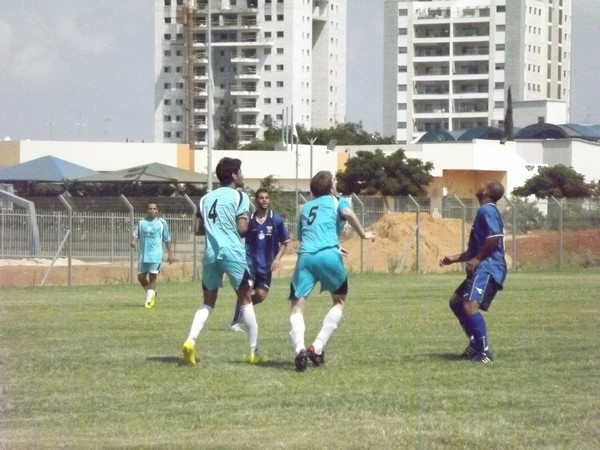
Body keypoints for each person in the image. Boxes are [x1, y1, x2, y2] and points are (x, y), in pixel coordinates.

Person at [289, 170, 376, 372]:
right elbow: (348, 214)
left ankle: (300, 349)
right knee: (339, 301)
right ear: (331, 188)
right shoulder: (337, 201)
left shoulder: (305, 207)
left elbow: (304, 236)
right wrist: (363, 234)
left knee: (297, 308)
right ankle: (317, 347)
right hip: (329, 255)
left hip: (305, 257)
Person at [182, 157, 264, 366]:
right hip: (233, 252)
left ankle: (190, 341)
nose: (243, 174)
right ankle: (254, 352)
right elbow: (242, 228)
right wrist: (253, 226)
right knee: (245, 299)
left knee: (208, 302)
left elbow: (197, 229)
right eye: (241, 171)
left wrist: (215, 229)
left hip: (211, 253)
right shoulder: (239, 196)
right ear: (234, 175)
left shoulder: (205, 198)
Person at [439, 180, 507, 364]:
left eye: (484, 185)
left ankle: (484, 352)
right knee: (456, 302)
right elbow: (476, 249)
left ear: (486, 191)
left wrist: (477, 259)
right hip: (484, 265)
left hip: (489, 267)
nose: (480, 185)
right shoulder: (485, 211)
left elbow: (494, 238)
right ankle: (475, 345)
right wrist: (454, 258)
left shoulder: (487, 210)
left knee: (470, 305)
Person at [229, 188, 290, 332]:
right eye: (261, 198)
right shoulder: (249, 219)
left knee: (261, 296)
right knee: (247, 290)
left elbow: (285, 242)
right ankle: (235, 323)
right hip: (250, 262)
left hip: (267, 265)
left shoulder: (276, 219)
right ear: (256, 201)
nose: (264, 200)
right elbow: (239, 234)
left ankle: (243, 308)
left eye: (266, 197)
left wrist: (277, 259)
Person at [130, 202, 175, 308]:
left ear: (157, 210)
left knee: (152, 277)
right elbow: (136, 235)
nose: (152, 210)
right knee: (141, 277)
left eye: (154, 209)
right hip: (143, 254)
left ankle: (149, 302)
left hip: (156, 254)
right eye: (150, 209)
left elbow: (167, 239)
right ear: (147, 210)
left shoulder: (162, 223)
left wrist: (170, 253)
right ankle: (152, 293)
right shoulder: (141, 222)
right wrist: (133, 242)